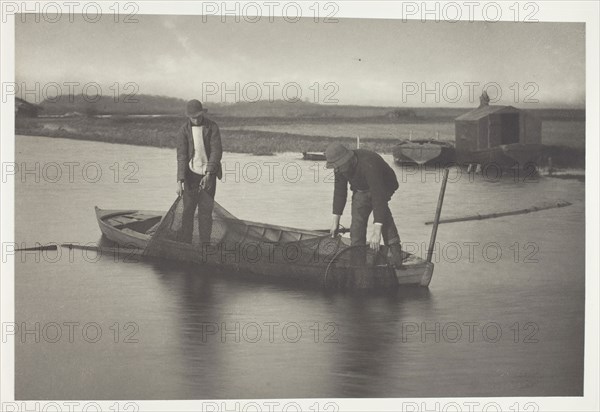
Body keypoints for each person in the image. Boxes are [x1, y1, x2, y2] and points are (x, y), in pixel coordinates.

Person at [325, 143, 404, 268]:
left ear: (348, 160)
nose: (337, 170)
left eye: (338, 167)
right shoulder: (339, 167)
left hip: (385, 185)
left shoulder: (368, 163)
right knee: (357, 226)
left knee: (383, 217)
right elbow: (340, 192)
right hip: (361, 189)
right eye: (335, 168)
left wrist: (376, 231)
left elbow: (378, 197)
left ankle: (396, 256)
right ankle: (358, 263)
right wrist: (335, 221)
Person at [176, 99, 223, 244]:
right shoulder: (183, 130)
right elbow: (182, 156)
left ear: (202, 113)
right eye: (193, 117)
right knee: (188, 211)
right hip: (191, 175)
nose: (196, 119)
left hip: (209, 175)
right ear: (188, 117)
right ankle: (185, 244)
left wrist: (209, 174)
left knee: (205, 213)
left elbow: (216, 151)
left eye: (198, 116)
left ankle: (205, 246)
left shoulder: (212, 127)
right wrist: (180, 181)